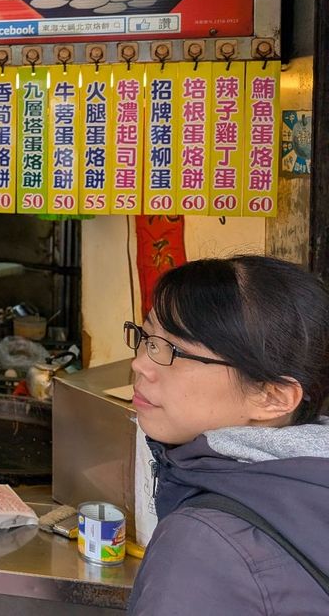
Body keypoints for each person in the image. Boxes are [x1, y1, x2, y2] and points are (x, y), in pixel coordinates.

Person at [125, 255, 329, 614]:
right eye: (146, 337)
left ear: (272, 397)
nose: (140, 363)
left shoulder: (202, 544)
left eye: (173, 350)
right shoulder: (312, 482)